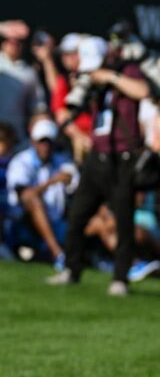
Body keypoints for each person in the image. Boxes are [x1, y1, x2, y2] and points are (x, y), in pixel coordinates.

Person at [49, 36, 151, 296]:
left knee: (123, 220)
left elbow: (143, 91)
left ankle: (120, 278)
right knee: (78, 215)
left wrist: (110, 78)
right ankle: (71, 269)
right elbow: (71, 106)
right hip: (98, 154)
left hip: (123, 156)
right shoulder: (87, 77)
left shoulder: (125, 70)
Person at [6, 119, 78, 268]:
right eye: (42, 142)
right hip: (23, 222)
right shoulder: (21, 161)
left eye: (49, 142)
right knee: (34, 200)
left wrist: (70, 180)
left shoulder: (62, 161)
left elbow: (76, 187)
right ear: (33, 142)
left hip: (57, 219)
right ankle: (57, 253)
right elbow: (25, 195)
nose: (45, 147)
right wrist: (52, 182)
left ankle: (121, 261)